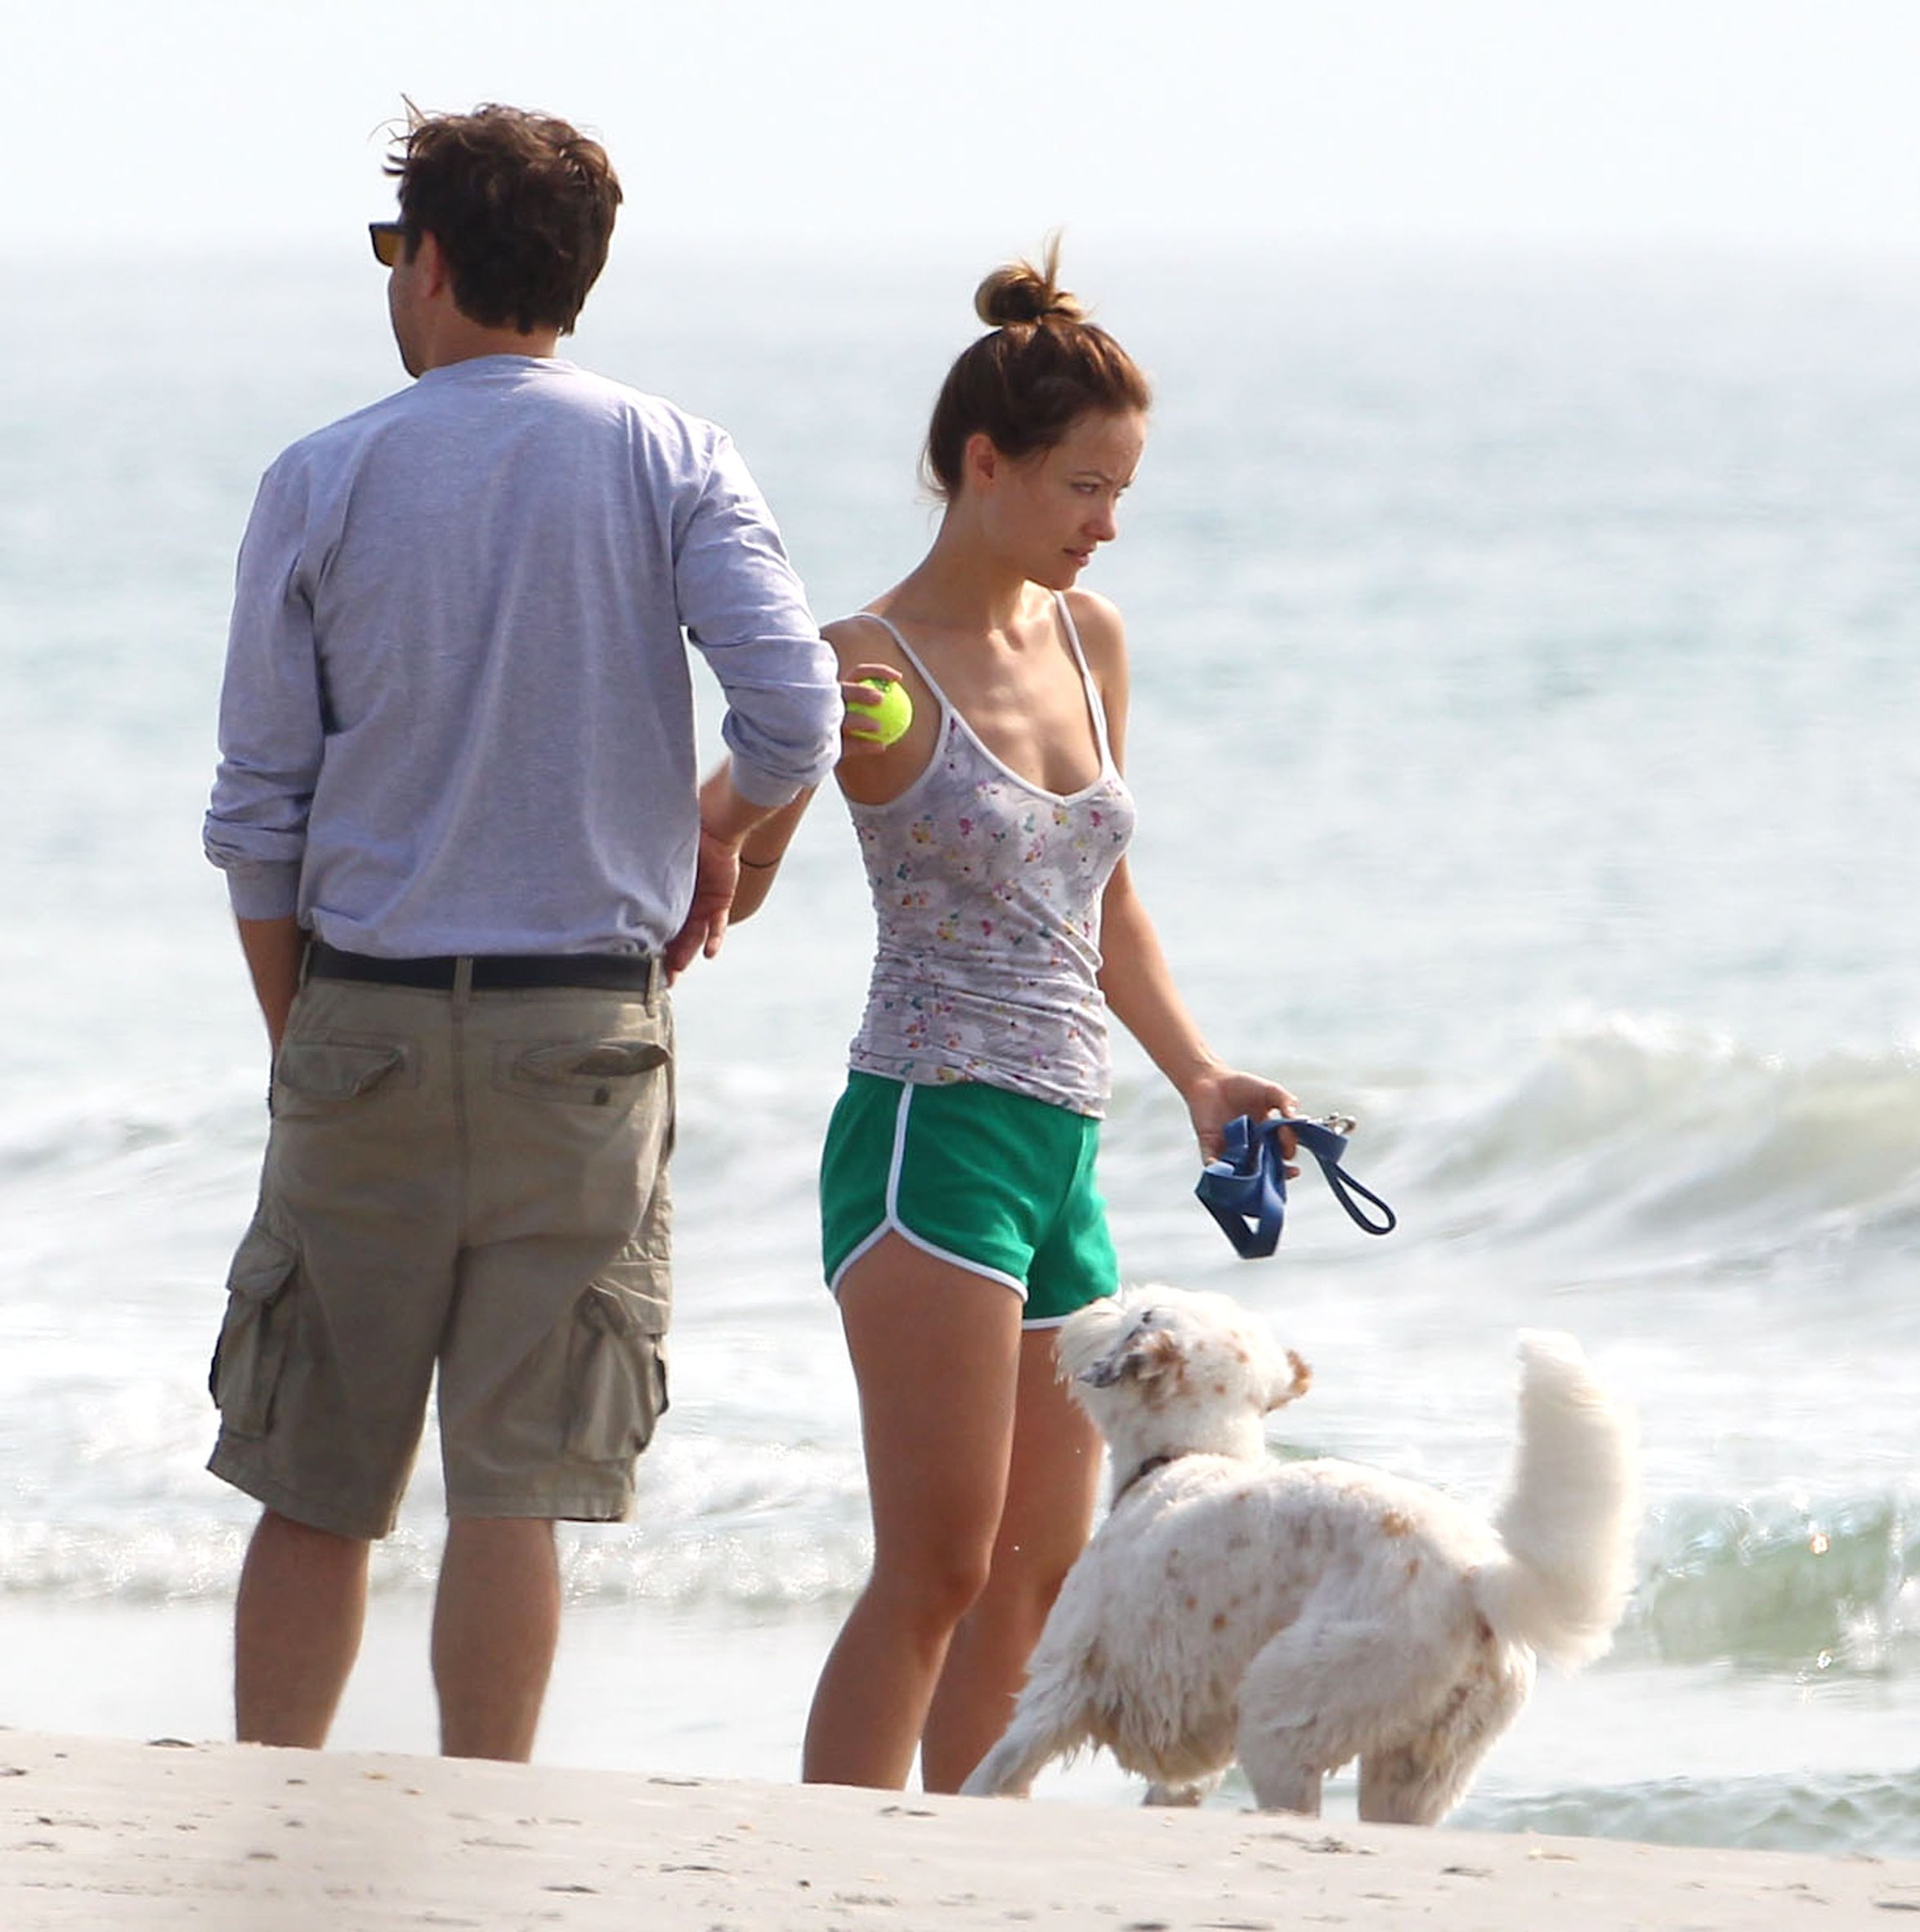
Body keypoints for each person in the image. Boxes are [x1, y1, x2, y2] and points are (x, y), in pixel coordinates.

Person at [200, 103, 843, 1762]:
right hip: (583, 1028)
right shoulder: (672, 452)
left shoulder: (323, 472)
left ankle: (274, 1818)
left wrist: (304, 1036)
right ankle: (483, 1830)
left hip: (366, 1012)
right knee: (512, 1491)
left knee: (316, 1477)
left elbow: (258, 810)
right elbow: (795, 708)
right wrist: (725, 831)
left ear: (427, 259)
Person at [712, 243, 1300, 1791]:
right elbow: (734, 860)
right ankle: (831, 1869)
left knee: (1037, 1579)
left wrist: (1197, 1074)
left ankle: (966, 1871)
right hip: (927, 1134)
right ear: (987, 465)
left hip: (1062, 1145)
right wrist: (760, 791)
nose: (1108, 525)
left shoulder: (1089, 643)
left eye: (1121, 493)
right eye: (1083, 489)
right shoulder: (864, 668)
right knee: (938, 1571)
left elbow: (1106, 901)